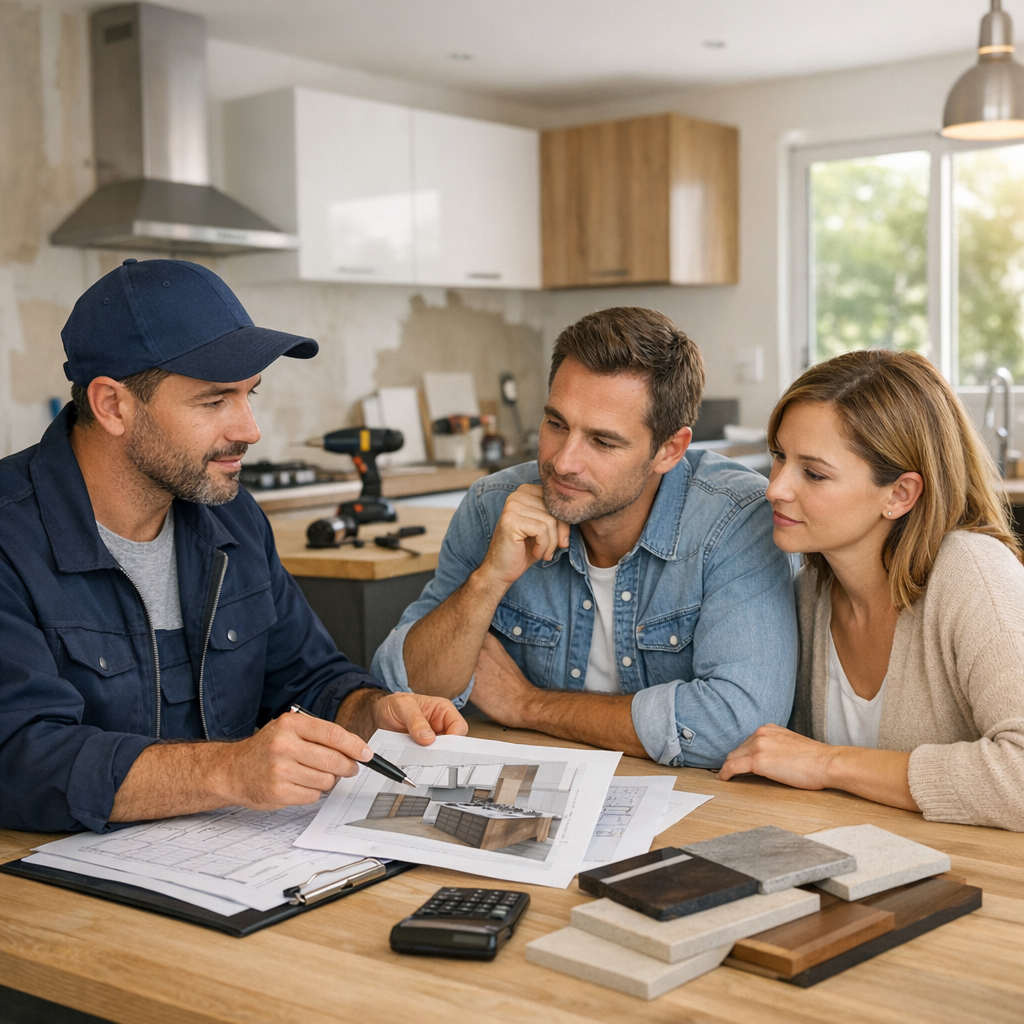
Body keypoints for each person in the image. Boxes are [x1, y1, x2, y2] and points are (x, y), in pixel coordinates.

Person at [0, 258, 465, 834]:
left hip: (227, 864)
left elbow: (307, 677)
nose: (249, 429)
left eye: (250, 395)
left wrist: (372, 713)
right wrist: (228, 771)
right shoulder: (9, 540)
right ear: (112, 405)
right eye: (214, 401)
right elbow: (19, 757)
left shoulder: (234, 518)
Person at [372, 307, 797, 765]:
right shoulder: (492, 504)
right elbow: (403, 695)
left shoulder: (734, 519)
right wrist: (488, 581)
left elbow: (741, 726)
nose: (563, 461)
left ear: (669, 450)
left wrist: (528, 705)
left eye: (603, 441)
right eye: (556, 424)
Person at [720, 349, 1024, 832]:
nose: (775, 487)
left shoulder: (972, 573)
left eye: (813, 473)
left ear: (899, 494)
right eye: (780, 456)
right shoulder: (809, 593)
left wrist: (827, 763)